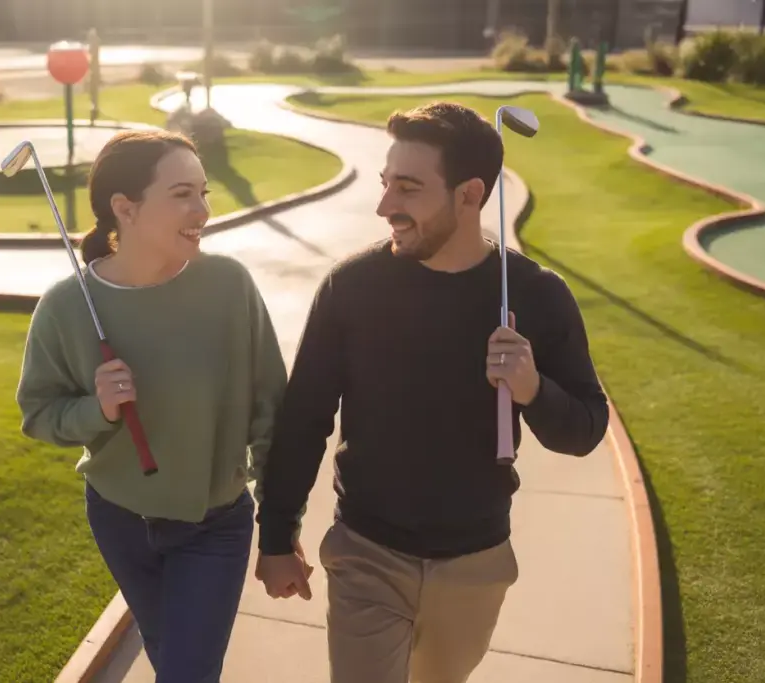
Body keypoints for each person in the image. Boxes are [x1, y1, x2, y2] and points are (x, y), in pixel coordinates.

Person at [253, 102, 610, 683]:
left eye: (409, 189)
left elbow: (586, 428)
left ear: (470, 195)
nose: (385, 206)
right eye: (386, 183)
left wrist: (532, 388)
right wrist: (275, 535)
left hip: (477, 560)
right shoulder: (351, 287)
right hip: (366, 551)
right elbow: (304, 419)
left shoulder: (536, 295)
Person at [15, 129, 288, 683]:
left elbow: (271, 411)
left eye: (204, 192)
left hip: (215, 525)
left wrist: (282, 528)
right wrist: (99, 410)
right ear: (125, 208)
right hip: (119, 518)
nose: (204, 210)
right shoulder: (66, 307)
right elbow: (39, 414)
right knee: (175, 660)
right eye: (184, 194)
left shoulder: (229, 285)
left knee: (186, 672)